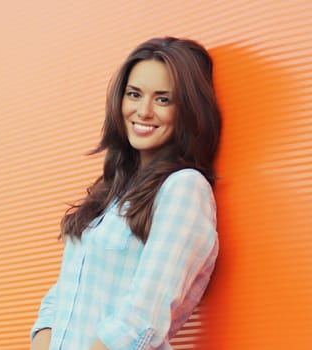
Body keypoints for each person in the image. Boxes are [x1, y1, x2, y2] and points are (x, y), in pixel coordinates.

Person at [30, 37, 222, 350]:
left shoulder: (184, 188)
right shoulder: (111, 194)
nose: (143, 111)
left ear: (188, 110)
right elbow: (60, 299)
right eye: (134, 94)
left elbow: (141, 319)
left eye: (163, 100)